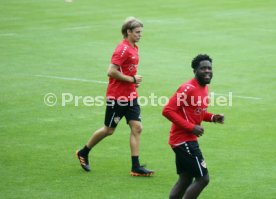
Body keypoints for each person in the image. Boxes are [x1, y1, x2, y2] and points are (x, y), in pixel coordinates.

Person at [76, 17, 154, 177]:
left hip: (131, 95)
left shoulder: (134, 47)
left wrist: (132, 81)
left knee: (137, 127)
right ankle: (83, 152)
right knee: (109, 130)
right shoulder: (122, 49)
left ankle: (136, 166)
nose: (140, 35)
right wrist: (131, 79)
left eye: (141, 32)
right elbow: (111, 71)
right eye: (137, 32)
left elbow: (125, 70)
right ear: (128, 32)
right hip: (117, 97)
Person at [162, 54, 224, 199]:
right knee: (203, 179)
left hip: (184, 140)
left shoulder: (204, 87)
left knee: (185, 179)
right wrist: (191, 127)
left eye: (209, 68)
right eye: (203, 68)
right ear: (195, 71)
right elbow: (168, 110)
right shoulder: (187, 88)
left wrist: (213, 117)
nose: (207, 71)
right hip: (184, 140)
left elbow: (197, 112)